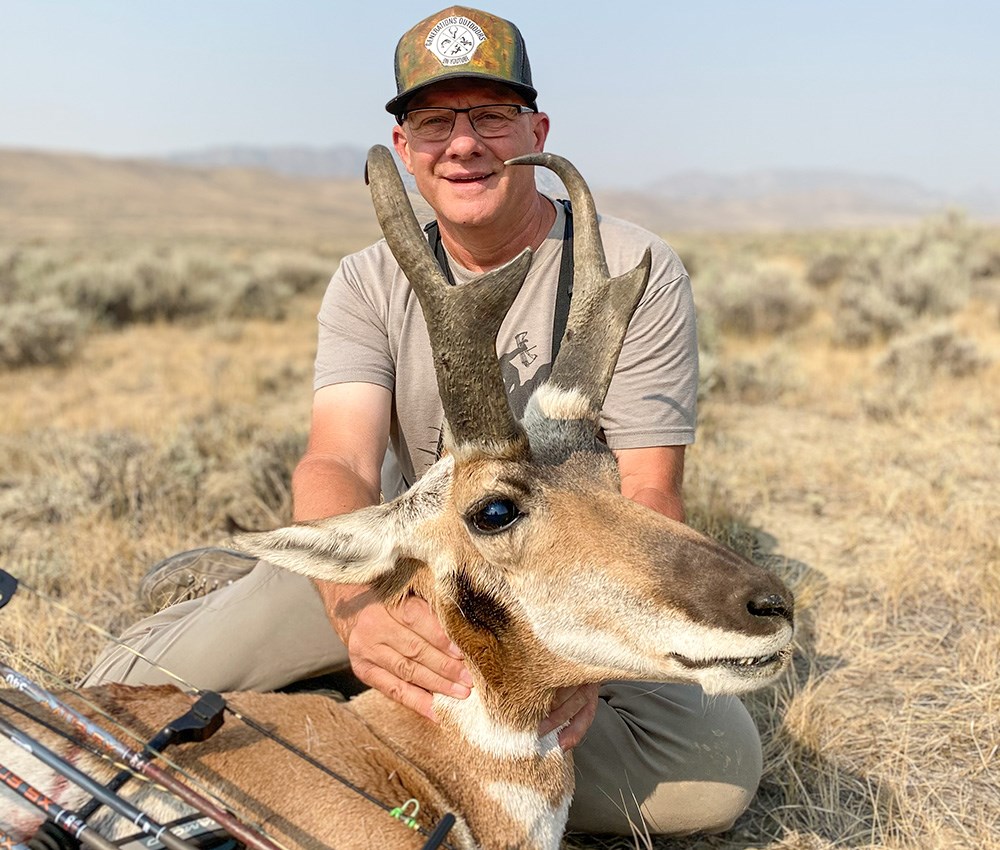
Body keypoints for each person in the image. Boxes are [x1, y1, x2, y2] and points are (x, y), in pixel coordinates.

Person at [84, 6, 763, 836]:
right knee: (121, 693)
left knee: (711, 784)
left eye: (492, 116)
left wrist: (577, 651)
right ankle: (353, 677)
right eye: (435, 120)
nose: (464, 142)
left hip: (560, 577)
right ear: (405, 149)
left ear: (536, 128)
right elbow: (336, 465)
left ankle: (409, 716)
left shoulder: (630, 269)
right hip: (409, 557)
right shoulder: (368, 280)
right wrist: (354, 611)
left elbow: (649, 492)